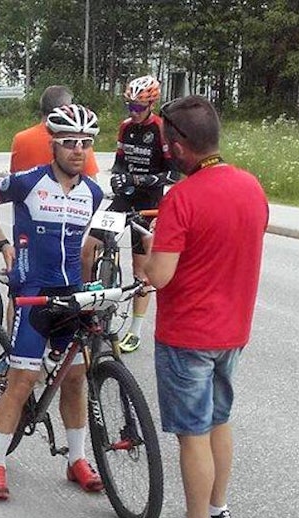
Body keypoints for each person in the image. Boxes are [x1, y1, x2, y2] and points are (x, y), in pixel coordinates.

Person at [139, 95, 268, 518]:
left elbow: (160, 275)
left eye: (166, 141)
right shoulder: (252, 187)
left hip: (187, 334)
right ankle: (218, 509)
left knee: (191, 432)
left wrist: (145, 251)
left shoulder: (182, 198)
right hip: (232, 331)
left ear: (178, 145)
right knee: (218, 420)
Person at [0, 104, 106, 502]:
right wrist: (3, 244)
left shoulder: (94, 193)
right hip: (33, 296)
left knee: (76, 378)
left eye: (85, 144)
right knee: (21, 382)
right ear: (54, 146)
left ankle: (76, 459)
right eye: (69, 143)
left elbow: (93, 244)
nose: (77, 150)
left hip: (72, 298)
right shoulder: (27, 182)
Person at [83, 75, 178, 355]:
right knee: (88, 249)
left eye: (138, 107)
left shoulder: (161, 130)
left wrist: (139, 181)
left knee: (141, 271)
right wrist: (118, 178)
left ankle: (135, 331)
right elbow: (119, 163)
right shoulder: (126, 128)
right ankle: (88, 307)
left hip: (147, 206)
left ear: (150, 104)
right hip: (122, 202)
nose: (132, 112)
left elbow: (173, 174)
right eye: (129, 106)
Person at [9, 85, 99, 176]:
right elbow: (90, 178)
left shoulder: (20, 139)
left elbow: (15, 175)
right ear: (65, 108)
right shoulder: (77, 141)